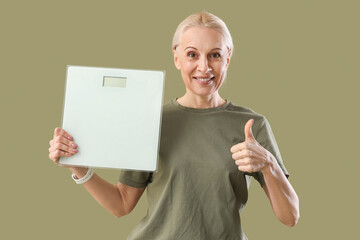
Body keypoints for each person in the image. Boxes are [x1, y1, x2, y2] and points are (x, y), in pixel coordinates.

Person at [49, 11, 299, 240]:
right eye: (192, 54)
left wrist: (268, 164)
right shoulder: (151, 121)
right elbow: (122, 204)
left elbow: (290, 217)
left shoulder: (252, 126)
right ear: (176, 57)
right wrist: (78, 167)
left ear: (228, 58)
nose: (204, 67)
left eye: (215, 55)